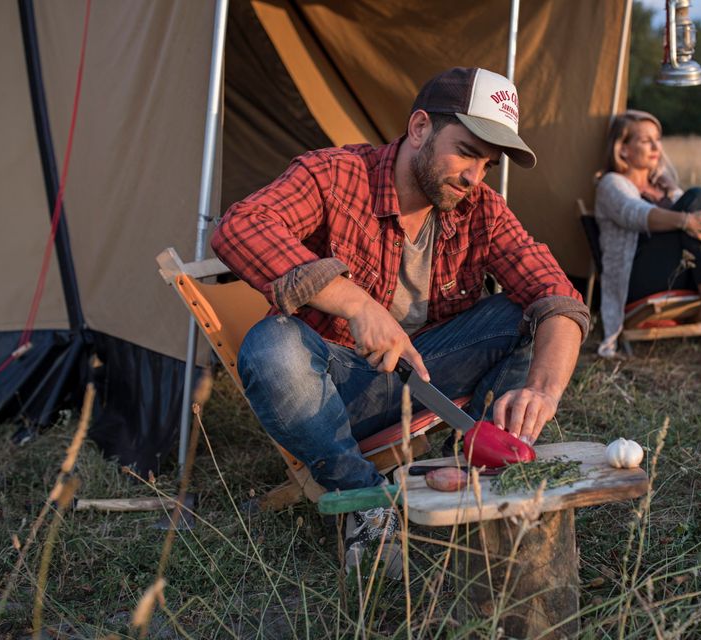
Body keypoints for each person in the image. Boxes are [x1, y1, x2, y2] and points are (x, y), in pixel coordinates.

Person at [211, 67, 588, 576]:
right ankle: (366, 499)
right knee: (271, 347)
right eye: (467, 151)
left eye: (487, 163)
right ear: (419, 129)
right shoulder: (336, 174)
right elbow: (240, 226)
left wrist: (543, 391)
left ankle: (478, 474)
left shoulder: (482, 208)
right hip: (336, 388)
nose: (474, 175)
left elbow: (557, 294)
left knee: (521, 314)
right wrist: (356, 303)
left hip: (425, 375)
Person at [593, 109, 701, 362]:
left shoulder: (664, 184)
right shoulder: (611, 184)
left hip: (686, 273)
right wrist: (688, 220)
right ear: (622, 148)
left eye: (657, 139)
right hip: (639, 280)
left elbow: (697, 223)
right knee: (697, 197)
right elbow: (635, 213)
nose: (656, 146)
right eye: (646, 140)